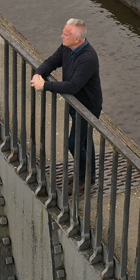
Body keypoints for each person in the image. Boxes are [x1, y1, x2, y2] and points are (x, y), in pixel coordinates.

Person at [31, 18, 102, 191]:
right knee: (84, 141)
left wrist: (45, 85)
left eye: (66, 34)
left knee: (74, 143)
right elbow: (52, 61)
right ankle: (89, 173)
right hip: (76, 103)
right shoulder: (67, 47)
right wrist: (39, 73)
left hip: (87, 107)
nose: (62, 35)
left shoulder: (88, 58)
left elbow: (73, 86)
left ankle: (82, 179)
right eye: (63, 31)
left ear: (77, 39)